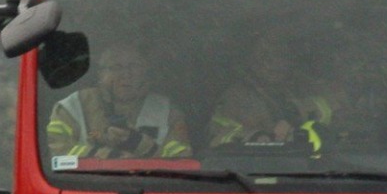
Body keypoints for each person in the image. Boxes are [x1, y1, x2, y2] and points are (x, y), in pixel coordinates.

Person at [44, 46, 192, 160]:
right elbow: (56, 155)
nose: (126, 74)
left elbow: (182, 160)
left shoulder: (168, 112)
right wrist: (106, 155)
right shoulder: (72, 107)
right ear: (100, 74)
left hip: (154, 190)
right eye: (115, 67)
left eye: (134, 66)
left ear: (146, 72)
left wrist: (139, 143)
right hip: (86, 187)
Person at [208, 52, 336, 152]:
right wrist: (254, 137)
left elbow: (334, 106)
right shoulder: (236, 95)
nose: (273, 62)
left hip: (310, 170)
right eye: (265, 56)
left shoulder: (301, 85)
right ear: (252, 61)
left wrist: (293, 116)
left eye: (280, 55)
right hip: (250, 169)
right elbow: (216, 136)